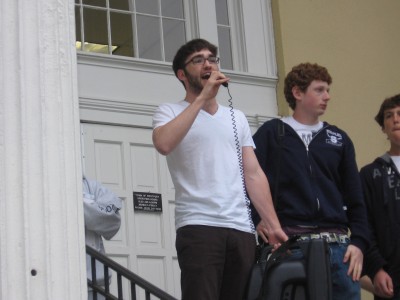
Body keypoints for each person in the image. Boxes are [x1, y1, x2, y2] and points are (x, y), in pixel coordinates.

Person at [152, 38, 287, 300]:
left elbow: (254, 173)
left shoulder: (236, 117)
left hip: (240, 228)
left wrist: (273, 223)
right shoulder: (169, 111)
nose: (208, 64)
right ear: (182, 74)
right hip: (199, 225)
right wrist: (203, 96)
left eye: (212, 59)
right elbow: (164, 143)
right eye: (198, 60)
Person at [251, 62, 370, 300]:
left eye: (327, 90)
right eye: (319, 90)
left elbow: (355, 197)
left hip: (339, 249)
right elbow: (247, 178)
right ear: (297, 93)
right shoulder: (272, 133)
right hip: (289, 246)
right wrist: (257, 218)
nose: (327, 96)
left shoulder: (339, 138)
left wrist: (358, 243)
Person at [359, 93, 400, 300]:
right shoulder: (370, 175)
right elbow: (364, 226)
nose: (396, 119)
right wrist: (376, 269)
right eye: (389, 115)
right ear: (383, 127)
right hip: (391, 279)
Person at [83, 175, 122, 300]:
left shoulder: (92, 187)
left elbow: (112, 223)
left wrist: (76, 206)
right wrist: (92, 208)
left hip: (96, 287)